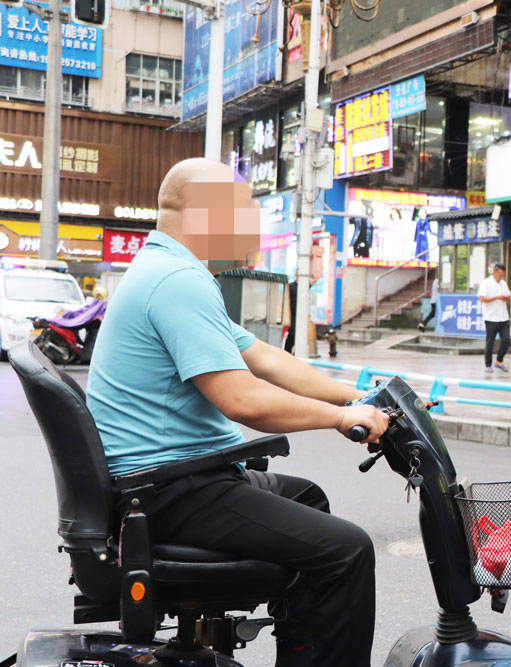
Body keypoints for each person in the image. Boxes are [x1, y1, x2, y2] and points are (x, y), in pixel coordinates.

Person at [86, 158, 390, 667]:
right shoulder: (178, 280)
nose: (254, 223)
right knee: (348, 551)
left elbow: (267, 359)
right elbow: (243, 400)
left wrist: (355, 397)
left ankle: (302, 650)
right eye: (244, 210)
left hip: (169, 480)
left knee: (308, 498)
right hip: (168, 490)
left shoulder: (171, 270)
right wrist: (340, 420)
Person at [478, 262, 511, 372]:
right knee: (490, 342)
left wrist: (504, 298)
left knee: (506, 339)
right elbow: (482, 299)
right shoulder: (486, 283)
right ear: (495, 272)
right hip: (491, 318)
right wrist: (497, 297)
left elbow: (508, 298)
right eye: (500, 274)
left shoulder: (503, 283)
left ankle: (499, 361)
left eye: (503, 275)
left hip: (504, 317)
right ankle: (488, 365)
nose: (501, 277)